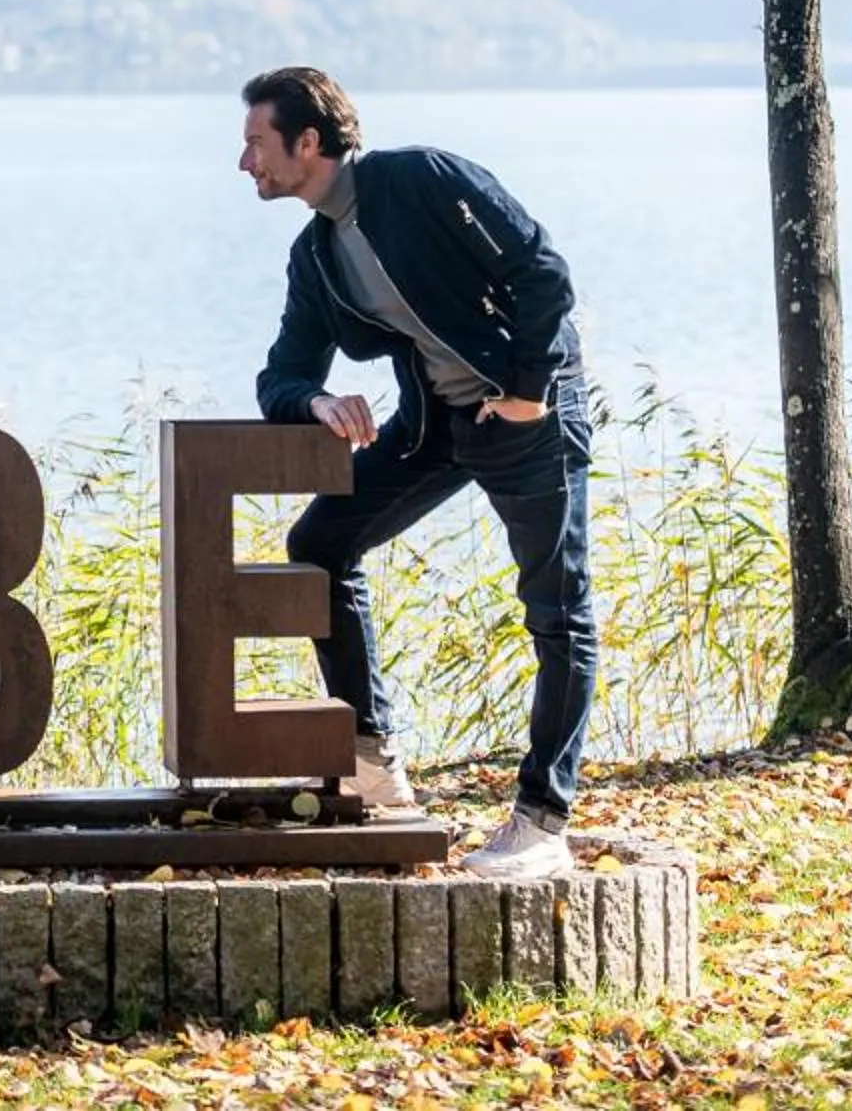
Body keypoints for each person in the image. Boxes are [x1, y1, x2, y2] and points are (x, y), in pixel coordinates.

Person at [238, 65, 596, 879]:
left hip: (529, 419)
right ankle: (371, 757)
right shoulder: (320, 254)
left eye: (257, 142)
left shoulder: (421, 180)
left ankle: (543, 821)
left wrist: (526, 395)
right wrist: (317, 401)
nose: (245, 163)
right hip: (435, 426)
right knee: (319, 544)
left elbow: (543, 274)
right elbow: (281, 373)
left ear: (307, 140)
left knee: (558, 612)